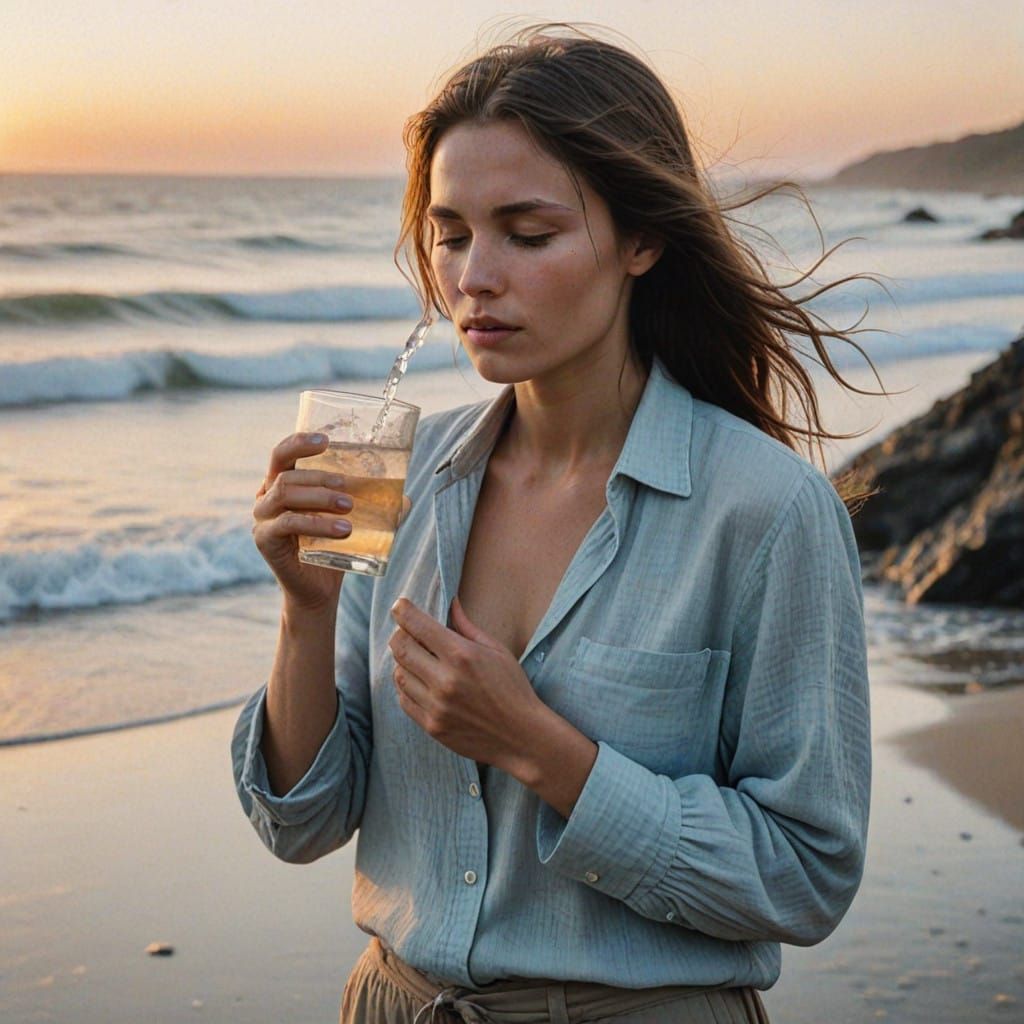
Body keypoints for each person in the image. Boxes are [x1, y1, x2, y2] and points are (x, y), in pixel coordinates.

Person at [233, 24, 878, 1024]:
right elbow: (301, 823)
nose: (472, 276)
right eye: (450, 233)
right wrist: (303, 611)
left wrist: (542, 748)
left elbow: (805, 875)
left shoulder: (762, 510)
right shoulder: (398, 481)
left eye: (526, 234)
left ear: (640, 239)